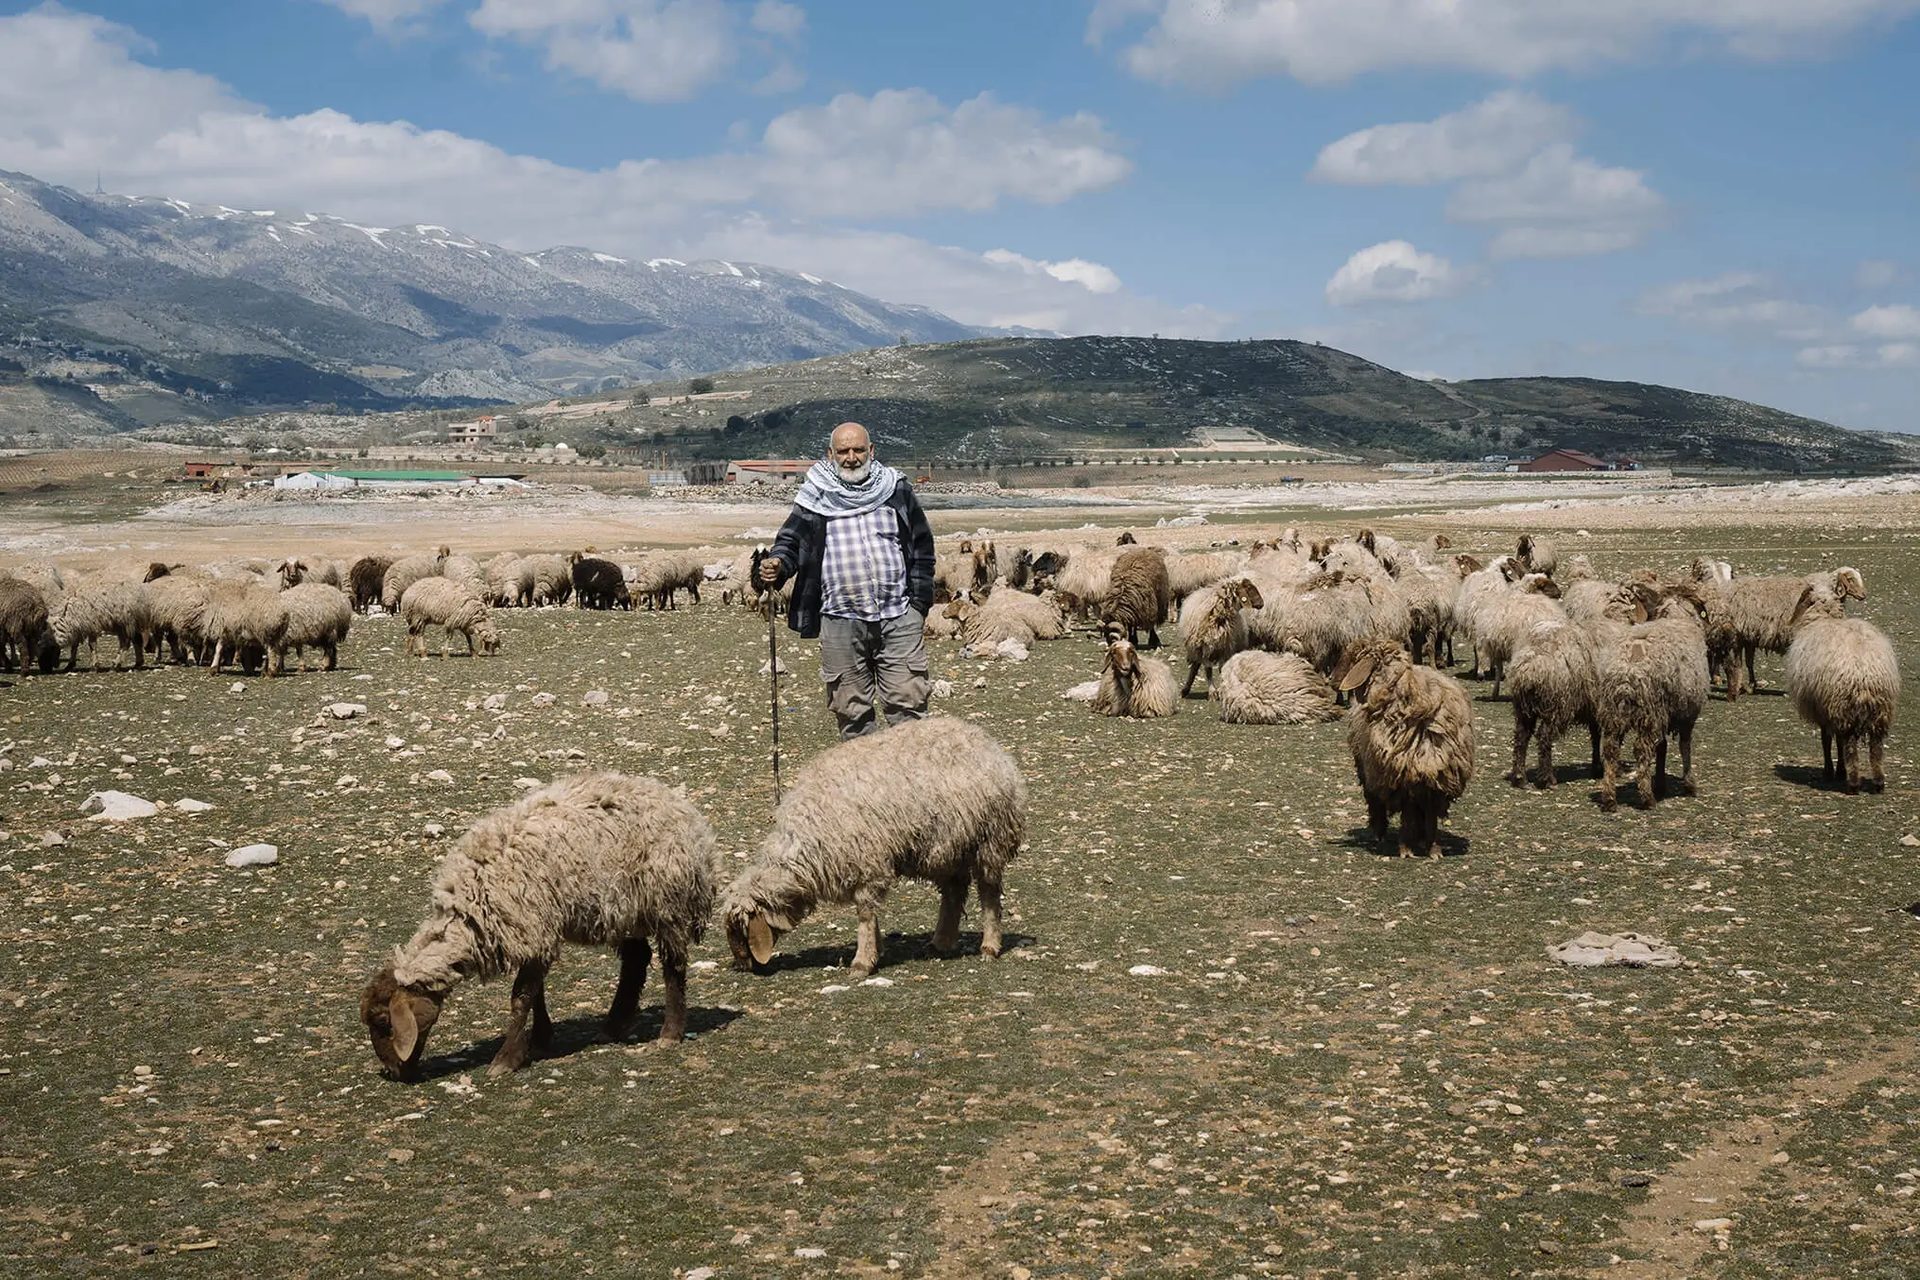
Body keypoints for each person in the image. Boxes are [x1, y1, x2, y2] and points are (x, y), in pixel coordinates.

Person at [758, 422, 936, 738]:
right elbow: (790, 541)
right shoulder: (815, 494)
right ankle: (864, 784)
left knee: (909, 708)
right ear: (830, 454)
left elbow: (922, 545)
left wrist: (918, 605)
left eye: (858, 450)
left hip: (898, 616)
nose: (851, 457)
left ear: (872, 451)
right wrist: (778, 564)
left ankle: (913, 783)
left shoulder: (896, 489)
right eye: (843, 451)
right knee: (852, 713)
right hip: (840, 620)